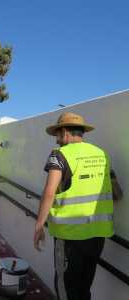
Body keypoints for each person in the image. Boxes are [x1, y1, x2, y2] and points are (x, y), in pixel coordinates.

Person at [33, 112, 123, 300]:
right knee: (84, 288)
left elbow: (49, 192)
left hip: (70, 235)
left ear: (65, 132)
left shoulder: (59, 155)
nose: (57, 140)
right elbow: (117, 193)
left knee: (66, 289)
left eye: (57, 135)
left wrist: (39, 225)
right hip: (98, 234)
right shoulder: (102, 154)